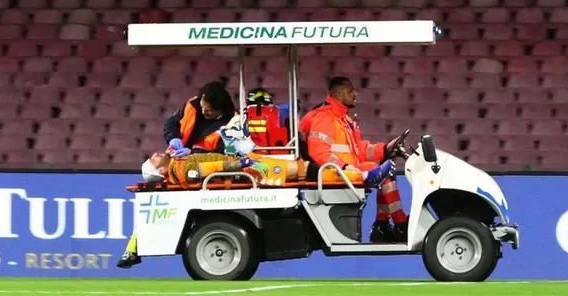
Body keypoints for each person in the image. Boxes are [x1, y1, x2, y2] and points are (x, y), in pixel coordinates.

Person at [116, 114, 396, 269]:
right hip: (250, 171)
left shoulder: (178, 161)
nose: (154, 154)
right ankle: (364, 176)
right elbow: (210, 168)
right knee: (306, 170)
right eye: (152, 160)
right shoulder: (182, 170)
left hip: (248, 167)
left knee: (304, 168)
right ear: (160, 172)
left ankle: (362, 175)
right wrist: (242, 161)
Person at [299, 76, 409, 243]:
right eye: (350, 91)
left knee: (385, 171)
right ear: (338, 95)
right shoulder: (325, 118)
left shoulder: (344, 120)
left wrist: (385, 148)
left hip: (347, 171)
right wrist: (345, 167)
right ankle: (397, 223)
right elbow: (319, 153)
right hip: (336, 174)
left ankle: (383, 225)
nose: (355, 94)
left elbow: (359, 150)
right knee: (384, 172)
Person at [164, 81, 237, 157]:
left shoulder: (233, 124)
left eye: (209, 110)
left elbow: (225, 152)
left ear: (220, 110)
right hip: (174, 158)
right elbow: (172, 121)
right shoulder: (193, 104)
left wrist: (193, 153)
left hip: (201, 166)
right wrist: (173, 137)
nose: (203, 112)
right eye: (202, 107)